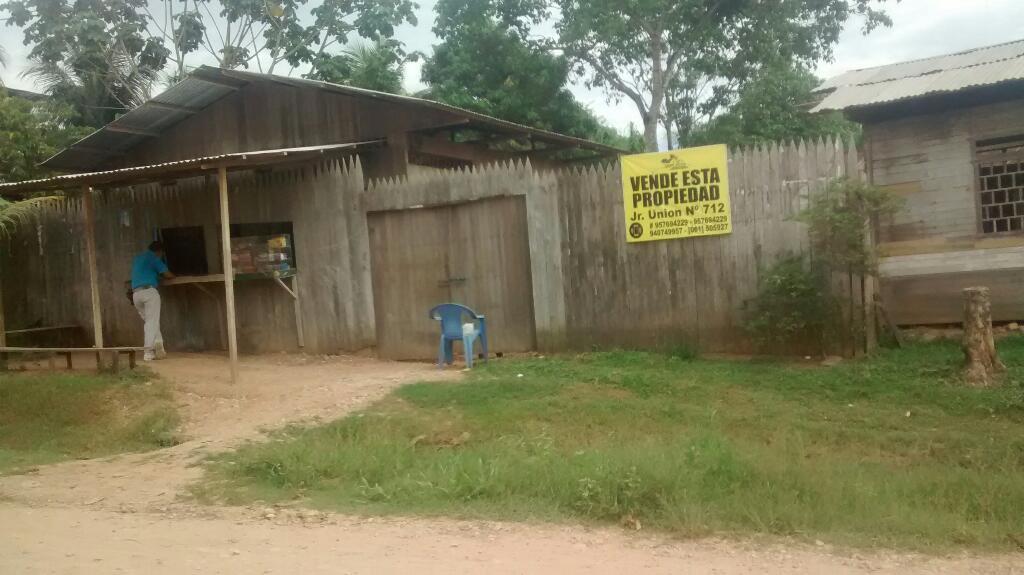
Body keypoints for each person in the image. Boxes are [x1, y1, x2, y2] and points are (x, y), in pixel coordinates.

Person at [131, 241, 175, 361]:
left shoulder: (138, 258)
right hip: (148, 292)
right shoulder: (153, 257)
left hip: (136, 294)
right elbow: (168, 274)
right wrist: (173, 275)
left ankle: (159, 348)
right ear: (159, 252)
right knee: (152, 323)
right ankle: (148, 352)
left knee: (151, 322)